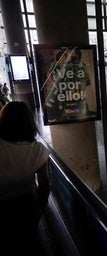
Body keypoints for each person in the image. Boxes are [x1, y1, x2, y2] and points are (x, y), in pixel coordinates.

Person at [0, 101, 50, 253]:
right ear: (29, 122)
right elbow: (44, 185)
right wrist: (37, 212)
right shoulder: (38, 150)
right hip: (26, 207)